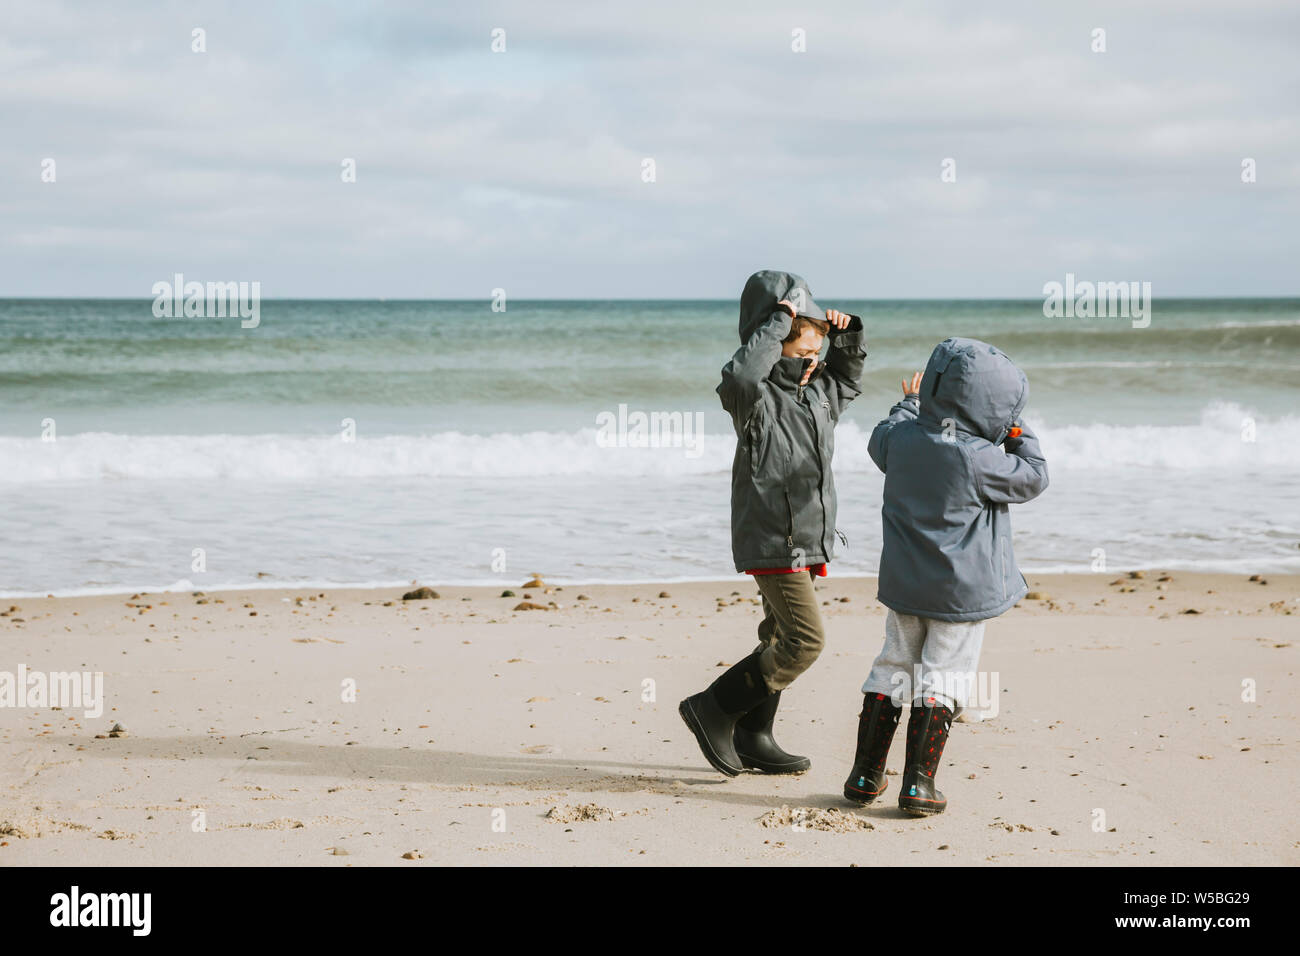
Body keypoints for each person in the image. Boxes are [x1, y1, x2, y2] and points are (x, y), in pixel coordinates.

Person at [843, 337, 1048, 814]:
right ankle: (917, 784)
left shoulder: (900, 439)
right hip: (960, 593)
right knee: (944, 675)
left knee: (893, 664)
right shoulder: (979, 456)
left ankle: (864, 775)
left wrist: (910, 402)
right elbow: (1034, 476)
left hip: (904, 585)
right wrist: (1017, 430)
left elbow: (882, 431)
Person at [679, 269, 866, 776]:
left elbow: (848, 378)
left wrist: (848, 337)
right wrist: (780, 320)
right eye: (798, 349)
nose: (810, 361)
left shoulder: (821, 394)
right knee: (805, 641)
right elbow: (740, 375)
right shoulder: (754, 400)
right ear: (772, 339)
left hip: (809, 538)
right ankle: (712, 707)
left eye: (815, 353)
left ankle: (754, 735)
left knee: (776, 634)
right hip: (771, 537)